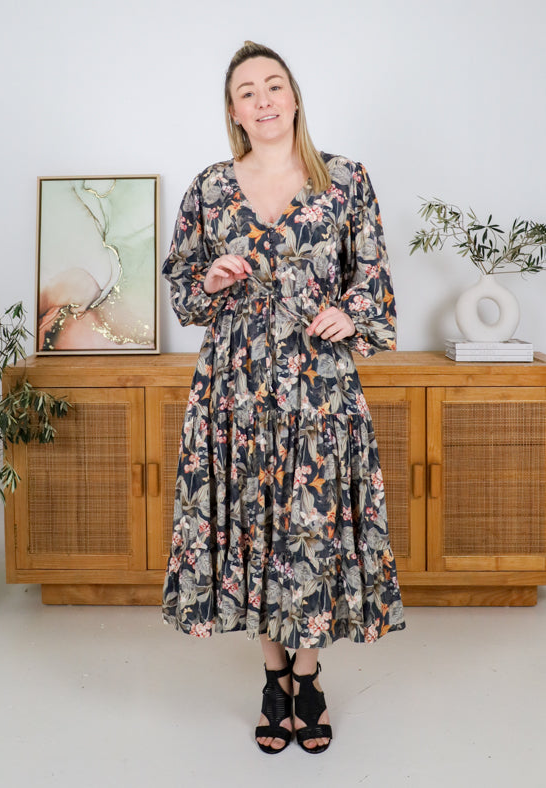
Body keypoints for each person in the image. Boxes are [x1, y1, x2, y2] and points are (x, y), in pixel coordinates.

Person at [162, 40, 405, 755]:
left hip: (318, 386)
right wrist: (208, 283)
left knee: (309, 528)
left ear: (294, 98)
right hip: (232, 388)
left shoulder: (345, 180)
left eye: (274, 86)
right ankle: (274, 679)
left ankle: (309, 672)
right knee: (251, 523)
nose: (263, 100)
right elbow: (181, 285)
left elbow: (376, 280)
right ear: (234, 111)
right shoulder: (210, 188)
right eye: (247, 91)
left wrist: (353, 314)